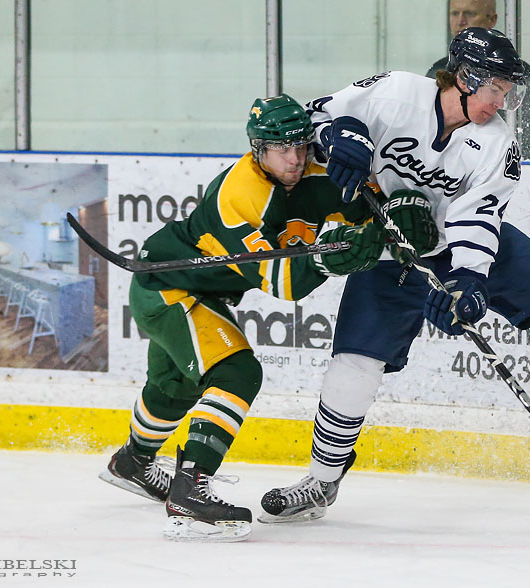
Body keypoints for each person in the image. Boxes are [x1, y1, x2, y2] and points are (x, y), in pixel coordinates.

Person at [258, 28, 530, 524]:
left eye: (508, 91)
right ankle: (322, 482)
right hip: (390, 248)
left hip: (456, 246)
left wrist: (468, 280)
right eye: (496, 89)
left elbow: (477, 215)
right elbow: (316, 115)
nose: (501, 101)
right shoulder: (396, 92)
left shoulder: (497, 144)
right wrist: (341, 135)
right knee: (352, 367)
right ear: (464, 77)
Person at [98, 93, 386, 542]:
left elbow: (369, 211)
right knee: (237, 372)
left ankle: (132, 463)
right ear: (259, 149)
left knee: (173, 387)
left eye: (300, 146)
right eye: (280, 149)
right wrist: (334, 260)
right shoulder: (240, 194)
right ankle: (190, 490)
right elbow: (284, 285)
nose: (293, 158)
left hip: (201, 293)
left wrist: (390, 218)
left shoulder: (314, 172)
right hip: (169, 289)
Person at [426, 0, 530, 161]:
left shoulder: (520, 76)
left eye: (470, 13)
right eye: (454, 13)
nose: (460, 21)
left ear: (492, 20)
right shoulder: (438, 69)